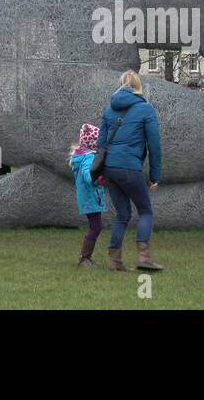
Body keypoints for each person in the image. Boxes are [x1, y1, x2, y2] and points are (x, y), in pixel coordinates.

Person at [98, 70, 163, 272]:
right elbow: (154, 145)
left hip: (109, 169)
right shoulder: (146, 109)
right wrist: (154, 177)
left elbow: (100, 144)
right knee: (145, 211)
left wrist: (100, 172)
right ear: (138, 86)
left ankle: (115, 262)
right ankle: (143, 258)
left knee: (122, 214)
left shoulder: (109, 110)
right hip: (129, 167)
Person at [68, 123, 107, 267]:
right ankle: (84, 258)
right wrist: (99, 179)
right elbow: (88, 176)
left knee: (95, 227)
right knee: (96, 228)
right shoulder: (89, 157)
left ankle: (86, 258)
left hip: (88, 197)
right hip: (91, 197)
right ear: (93, 143)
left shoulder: (81, 155)